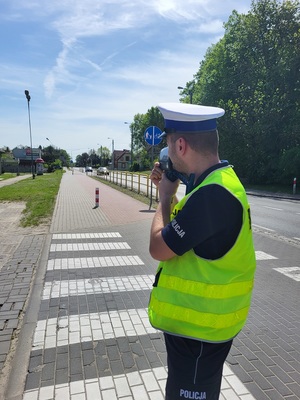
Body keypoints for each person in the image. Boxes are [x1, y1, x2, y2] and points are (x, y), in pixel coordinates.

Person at [148, 102, 256, 400]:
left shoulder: (212, 196)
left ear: (180, 144)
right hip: (204, 330)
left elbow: (158, 247)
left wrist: (164, 197)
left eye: (169, 147)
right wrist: (179, 181)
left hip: (199, 335)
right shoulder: (219, 182)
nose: (168, 156)